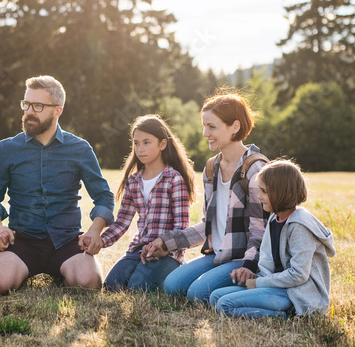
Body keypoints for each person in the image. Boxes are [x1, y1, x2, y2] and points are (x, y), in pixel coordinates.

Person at [0, 75, 115, 293]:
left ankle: (64, 270)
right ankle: (19, 270)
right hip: (21, 241)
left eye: (38, 106)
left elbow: (103, 196)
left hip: (66, 241)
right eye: (26, 104)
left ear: (57, 110)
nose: (29, 111)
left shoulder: (80, 149)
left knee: (89, 283)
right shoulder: (7, 149)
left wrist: (95, 229)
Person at [142, 92, 268, 305]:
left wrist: (248, 266)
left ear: (235, 127)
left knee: (197, 293)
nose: (204, 133)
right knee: (172, 286)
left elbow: (260, 231)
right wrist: (166, 242)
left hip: (242, 259)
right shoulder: (211, 168)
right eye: (204, 126)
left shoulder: (255, 168)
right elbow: (207, 227)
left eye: (212, 127)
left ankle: (255, 285)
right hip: (216, 255)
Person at [206, 159, 335, 318]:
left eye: (264, 192)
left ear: (282, 193)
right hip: (276, 287)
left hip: (296, 295)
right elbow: (268, 259)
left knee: (225, 305)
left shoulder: (300, 226)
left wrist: (258, 284)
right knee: (215, 297)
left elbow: (298, 275)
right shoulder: (275, 218)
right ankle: (277, 309)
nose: (259, 196)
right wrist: (255, 277)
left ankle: (288, 315)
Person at [81, 114, 196, 292]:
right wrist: (100, 241)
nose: (140, 148)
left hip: (167, 253)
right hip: (139, 250)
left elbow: (182, 225)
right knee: (112, 286)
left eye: (146, 142)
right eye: (136, 143)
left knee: (137, 288)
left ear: (162, 144)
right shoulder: (133, 181)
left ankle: (174, 273)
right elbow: (122, 222)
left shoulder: (174, 179)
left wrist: (164, 244)